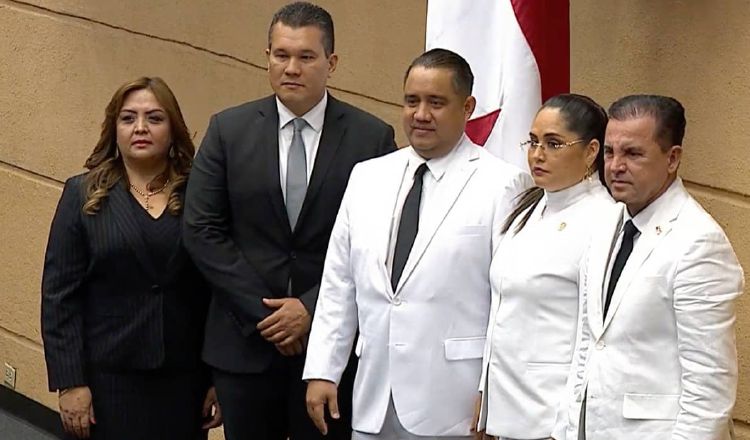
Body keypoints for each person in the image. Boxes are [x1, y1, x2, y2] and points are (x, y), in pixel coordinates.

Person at [182, 2, 396, 439]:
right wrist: (267, 314)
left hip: (331, 351)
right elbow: (202, 229)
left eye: (306, 57)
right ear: (267, 57)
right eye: (281, 55)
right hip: (244, 345)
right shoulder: (228, 130)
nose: (291, 68)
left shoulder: (371, 139)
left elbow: (382, 242)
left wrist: (310, 310)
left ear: (331, 63)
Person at [303, 48, 532, 440]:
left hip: (453, 404)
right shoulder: (368, 177)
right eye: (412, 100)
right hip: (374, 396)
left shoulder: (503, 184)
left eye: (436, 103)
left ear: (468, 106)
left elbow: (509, 301)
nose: (420, 114)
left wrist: (492, 393)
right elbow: (339, 282)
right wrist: (324, 369)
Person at [553, 95, 744, 440]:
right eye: (610, 152)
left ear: (672, 159)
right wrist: (566, 429)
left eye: (633, 153)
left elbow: (709, 384)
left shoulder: (698, 242)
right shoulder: (608, 221)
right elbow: (589, 343)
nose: (615, 166)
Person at [41, 76, 221, 440]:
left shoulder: (201, 195)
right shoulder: (82, 194)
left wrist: (218, 377)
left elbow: (216, 291)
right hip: (106, 382)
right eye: (128, 118)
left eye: (154, 118)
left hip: (184, 382)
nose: (141, 127)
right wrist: (70, 382)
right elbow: (59, 296)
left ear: (173, 129)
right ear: (114, 128)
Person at [473, 94, 613, 440]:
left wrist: (566, 427)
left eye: (553, 144)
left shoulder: (604, 221)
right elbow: (501, 313)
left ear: (591, 151)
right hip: (506, 412)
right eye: (533, 142)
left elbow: (592, 338)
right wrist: (485, 399)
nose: (537, 155)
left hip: (552, 419)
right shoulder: (529, 207)